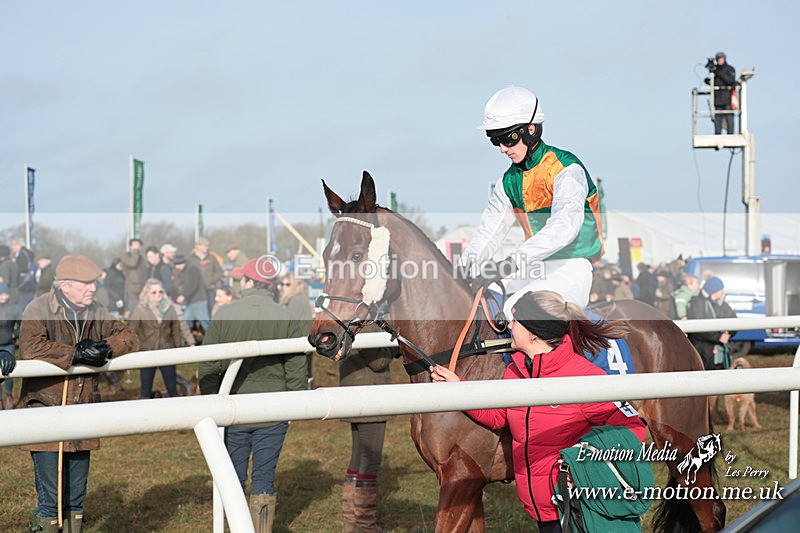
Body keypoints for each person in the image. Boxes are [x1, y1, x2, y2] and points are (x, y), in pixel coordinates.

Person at [430, 290, 647, 532]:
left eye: (515, 320)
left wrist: (584, 465)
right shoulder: (515, 371)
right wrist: (459, 388)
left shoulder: (585, 376)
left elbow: (633, 428)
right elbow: (498, 416)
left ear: (533, 333)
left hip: (580, 509)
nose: (509, 325)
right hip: (541, 509)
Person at [18, 254, 139, 532]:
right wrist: (75, 353)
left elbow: (130, 337)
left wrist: (105, 348)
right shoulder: (37, 308)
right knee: (51, 501)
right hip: (45, 410)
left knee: (76, 500)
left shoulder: (97, 310)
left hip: (83, 408)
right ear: (65, 286)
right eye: (86, 284)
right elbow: (31, 347)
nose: (93, 289)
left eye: (94, 283)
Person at [462, 86, 603, 315]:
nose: (501, 149)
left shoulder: (567, 169)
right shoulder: (508, 182)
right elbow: (488, 234)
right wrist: (466, 267)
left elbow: (563, 228)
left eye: (507, 139)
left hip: (571, 267)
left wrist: (512, 261)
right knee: (478, 302)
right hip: (534, 267)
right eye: (495, 140)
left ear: (530, 129)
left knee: (515, 310)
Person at [198, 257, 306, 533]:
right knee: (264, 477)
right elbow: (295, 365)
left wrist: (212, 400)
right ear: (269, 286)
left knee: (231, 475)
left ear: (247, 283)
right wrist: (296, 404)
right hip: (274, 408)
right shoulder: (286, 316)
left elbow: (209, 364)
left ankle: (235, 526)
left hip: (232, 406)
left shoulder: (224, 314)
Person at [337, 325, 396, 533]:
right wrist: (394, 346)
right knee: (370, 460)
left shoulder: (351, 321)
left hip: (355, 391)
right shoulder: (368, 325)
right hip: (370, 396)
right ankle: (364, 524)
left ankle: (350, 521)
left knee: (358, 457)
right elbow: (379, 362)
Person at [128, 279, 182, 398]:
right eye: (154, 292)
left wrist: (179, 348)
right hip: (147, 353)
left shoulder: (170, 308)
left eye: (160, 291)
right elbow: (131, 331)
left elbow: (176, 329)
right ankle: (144, 415)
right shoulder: (140, 310)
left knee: (172, 390)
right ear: (147, 294)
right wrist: (131, 351)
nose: (158, 294)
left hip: (166, 351)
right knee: (145, 391)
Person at [687, 276, 736, 370]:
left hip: (718, 351)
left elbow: (733, 320)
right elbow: (699, 328)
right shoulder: (697, 304)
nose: (723, 292)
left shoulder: (722, 304)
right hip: (702, 351)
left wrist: (728, 333)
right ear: (715, 291)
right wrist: (718, 337)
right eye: (721, 289)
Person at [278, 272, 316, 389]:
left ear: (294, 285)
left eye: (287, 284)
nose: (283, 287)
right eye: (282, 284)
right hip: (302, 346)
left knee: (296, 384)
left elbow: (288, 325)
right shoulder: (298, 299)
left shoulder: (295, 300)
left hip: (297, 347)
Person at [173, 254, 211, 333]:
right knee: (186, 321)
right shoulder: (184, 271)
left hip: (199, 300)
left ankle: (213, 339)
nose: (177, 267)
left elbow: (193, 285)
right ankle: (187, 340)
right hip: (191, 301)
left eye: (178, 264)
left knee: (205, 322)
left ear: (182, 262)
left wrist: (184, 296)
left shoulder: (192, 269)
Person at [705, 51, 737, 134]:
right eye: (718, 59)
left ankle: (730, 134)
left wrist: (719, 73)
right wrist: (708, 80)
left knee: (729, 117)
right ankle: (717, 134)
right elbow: (715, 82)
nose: (719, 61)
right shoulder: (715, 71)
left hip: (727, 99)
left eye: (721, 59)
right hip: (718, 99)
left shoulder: (730, 69)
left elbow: (730, 81)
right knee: (718, 118)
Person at [0, 282, 21, 409]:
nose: (4, 297)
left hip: (8, 344)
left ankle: (8, 395)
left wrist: (16, 334)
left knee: (8, 372)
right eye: (1, 294)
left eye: (5, 294)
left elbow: (23, 324)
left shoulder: (14, 308)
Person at [121, 238, 147, 314]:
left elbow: (144, 273)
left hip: (142, 291)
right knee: (134, 315)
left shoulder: (141, 258)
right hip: (132, 292)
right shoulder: (126, 256)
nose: (137, 246)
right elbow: (133, 263)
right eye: (135, 244)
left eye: (138, 245)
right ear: (130, 246)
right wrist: (135, 251)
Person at [11, 237, 37, 310]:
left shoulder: (23, 254)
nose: (12, 247)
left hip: (25, 286)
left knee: (22, 309)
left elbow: (25, 270)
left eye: (13, 245)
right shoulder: (23, 254)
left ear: (18, 245)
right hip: (26, 286)